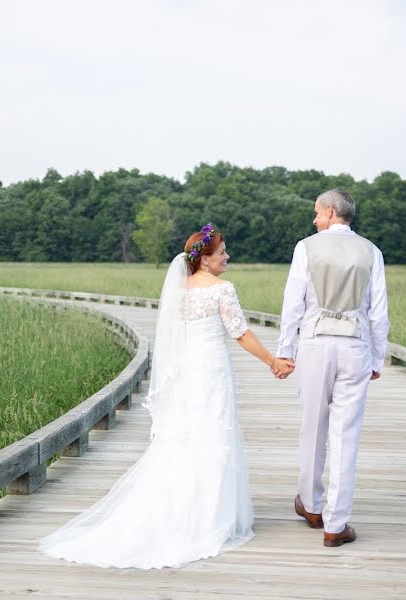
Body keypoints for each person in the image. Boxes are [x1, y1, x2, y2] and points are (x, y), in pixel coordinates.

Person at [40, 224, 294, 568]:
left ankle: (183, 507)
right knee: (214, 432)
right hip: (212, 370)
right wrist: (272, 361)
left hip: (187, 372)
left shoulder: (180, 290)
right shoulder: (222, 289)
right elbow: (241, 333)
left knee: (186, 435)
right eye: (221, 253)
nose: (227, 257)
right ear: (204, 260)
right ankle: (207, 516)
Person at [275, 190, 389, 547]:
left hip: (314, 344)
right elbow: (378, 313)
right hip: (355, 346)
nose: (314, 219)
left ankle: (311, 505)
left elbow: (293, 303)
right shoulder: (372, 251)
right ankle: (335, 525)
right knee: (346, 434)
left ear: (329, 211)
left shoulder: (305, 248)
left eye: (316, 213)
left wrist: (285, 350)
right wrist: (377, 357)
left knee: (313, 425)